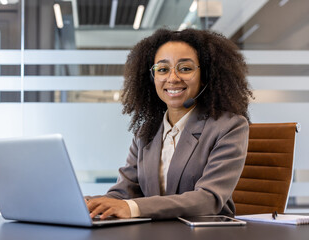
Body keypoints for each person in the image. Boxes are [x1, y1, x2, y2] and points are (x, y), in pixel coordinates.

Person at [86, 28, 253, 220]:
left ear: (205, 76)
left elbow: (209, 198)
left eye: (185, 68)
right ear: (152, 78)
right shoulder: (146, 133)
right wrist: (89, 203)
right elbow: (123, 194)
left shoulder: (229, 127)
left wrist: (131, 208)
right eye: (163, 69)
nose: (173, 78)